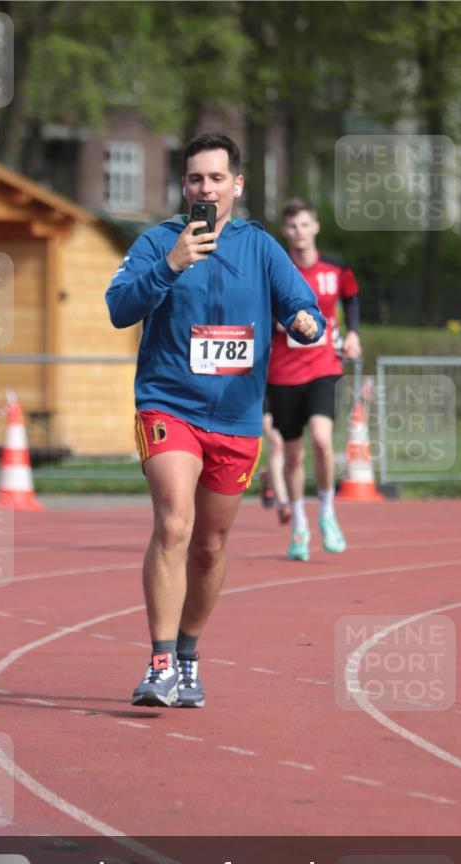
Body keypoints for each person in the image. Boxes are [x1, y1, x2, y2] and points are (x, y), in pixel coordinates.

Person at [106, 134, 325, 709]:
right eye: (196, 179)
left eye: (217, 178)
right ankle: (158, 664)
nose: (207, 188)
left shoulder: (261, 248)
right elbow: (119, 307)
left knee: (209, 543)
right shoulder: (158, 241)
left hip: (235, 416)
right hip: (168, 404)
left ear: (237, 185)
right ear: (184, 186)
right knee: (174, 523)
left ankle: (187, 655)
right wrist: (172, 265)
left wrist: (304, 322)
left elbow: (306, 310)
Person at [265, 198, 362, 561]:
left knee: (322, 440)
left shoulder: (335, 267)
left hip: (324, 367)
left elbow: (351, 298)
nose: (298, 233)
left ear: (315, 227)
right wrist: (280, 321)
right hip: (283, 372)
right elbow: (259, 305)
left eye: (304, 225)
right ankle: (299, 526)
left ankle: (327, 514)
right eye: (291, 227)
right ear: (284, 231)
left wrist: (353, 333)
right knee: (292, 456)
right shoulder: (277, 268)